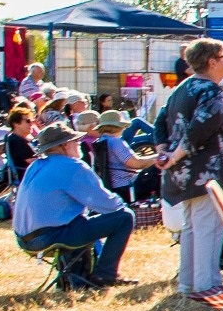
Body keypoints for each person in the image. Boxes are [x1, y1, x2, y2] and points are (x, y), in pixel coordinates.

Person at [155, 38, 223, 302]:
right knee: (210, 227)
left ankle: (190, 284)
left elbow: (160, 123)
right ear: (212, 61)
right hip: (209, 171)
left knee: (192, 227)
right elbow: (202, 127)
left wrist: (167, 153)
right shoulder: (212, 91)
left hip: (184, 173)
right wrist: (173, 155)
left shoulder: (182, 88)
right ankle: (207, 286)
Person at [11, 122, 137, 290]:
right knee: (124, 217)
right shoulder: (72, 166)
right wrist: (122, 204)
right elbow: (108, 204)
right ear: (63, 145)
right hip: (51, 236)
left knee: (79, 222)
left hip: (25, 240)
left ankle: (75, 280)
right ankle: (104, 275)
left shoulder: (36, 165)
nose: (79, 143)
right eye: (74, 141)